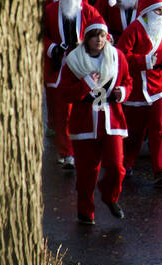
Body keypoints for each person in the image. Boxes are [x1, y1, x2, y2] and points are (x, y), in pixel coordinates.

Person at [55, 22, 131, 224]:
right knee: (87, 172)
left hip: (111, 119)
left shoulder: (117, 57)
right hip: (84, 122)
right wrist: (85, 84)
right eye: (95, 36)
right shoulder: (73, 61)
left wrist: (122, 92)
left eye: (102, 35)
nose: (99, 40)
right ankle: (85, 211)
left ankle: (110, 196)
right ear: (87, 38)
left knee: (116, 166)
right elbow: (64, 93)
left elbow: (127, 81)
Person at [115, 0, 162, 187]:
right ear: (148, 12)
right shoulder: (134, 29)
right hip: (137, 87)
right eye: (158, 10)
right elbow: (122, 55)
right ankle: (125, 164)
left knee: (159, 128)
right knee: (135, 131)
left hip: (159, 85)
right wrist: (144, 61)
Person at [42, 0, 102, 170]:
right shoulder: (50, 11)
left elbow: (103, 34)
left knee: (87, 110)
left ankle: (86, 148)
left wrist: (87, 45)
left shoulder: (90, 11)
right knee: (62, 112)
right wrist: (53, 49)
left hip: (85, 67)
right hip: (59, 68)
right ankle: (66, 153)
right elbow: (41, 36)